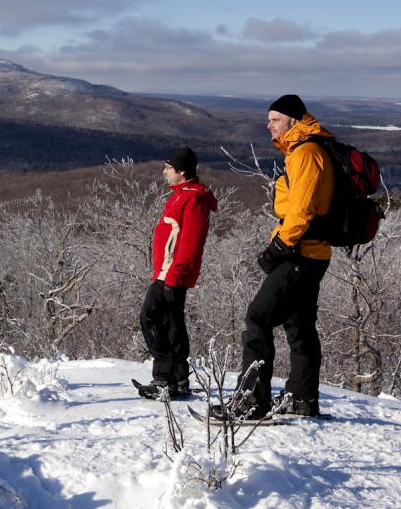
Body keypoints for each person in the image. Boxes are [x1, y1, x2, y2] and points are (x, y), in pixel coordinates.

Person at [230, 94, 336, 419]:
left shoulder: (305, 153)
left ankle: (252, 401)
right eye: (268, 120)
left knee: (258, 318)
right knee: (300, 325)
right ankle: (302, 399)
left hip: (299, 253)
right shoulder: (305, 150)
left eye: (275, 120)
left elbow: (301, 210)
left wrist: (279, 247)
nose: (269, 126)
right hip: (313, 252)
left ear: (293, 120)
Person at [136, 146, 217, 399]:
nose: (164, 171)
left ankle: (164, 378)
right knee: (170, 322)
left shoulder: (193, 198)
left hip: (171, 273)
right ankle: (177, 379)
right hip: (166, 271)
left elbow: (190, 243)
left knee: (151, 317)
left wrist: (173, 277)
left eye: (168, 168)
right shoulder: (181, 195)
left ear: (181, 171)